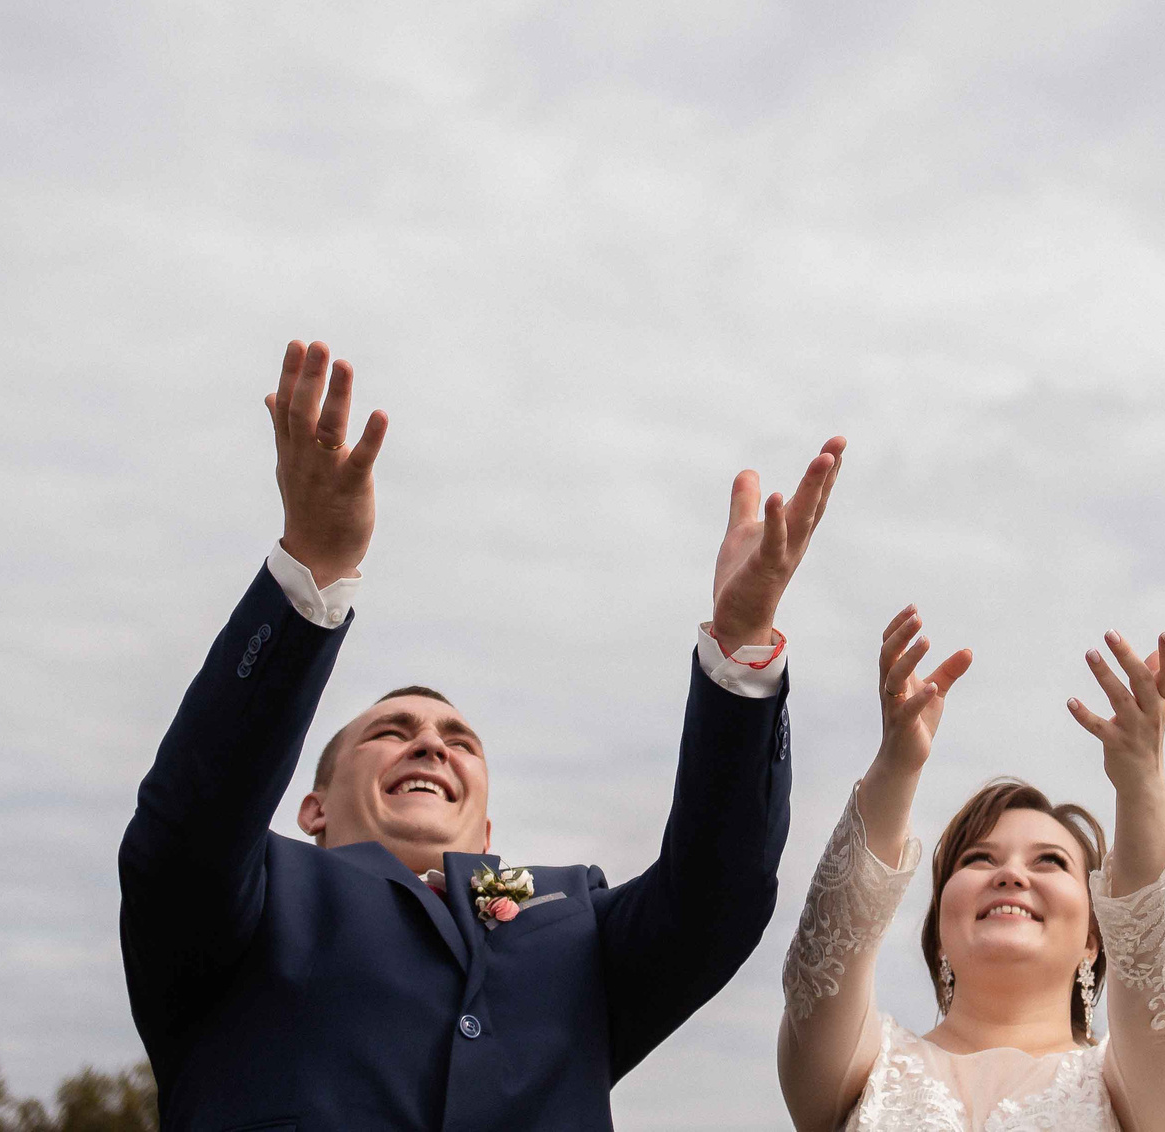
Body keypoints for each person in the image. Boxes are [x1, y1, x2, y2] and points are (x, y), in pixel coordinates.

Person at [120, 339, 840, 1132]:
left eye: (460, 742)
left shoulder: (573, 917)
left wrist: (741, 646)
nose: (431, 745)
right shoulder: (253, 896)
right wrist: (312, 569)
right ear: (313, 807)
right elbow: (190, 824)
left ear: (489, 831)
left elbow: (717, 897)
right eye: (391, 731)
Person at [776, 606, 1165, 1131]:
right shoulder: (862, 1069)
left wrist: (1142, 779)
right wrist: (897, 764)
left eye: (1050, 861)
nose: (1011, 876)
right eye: (979, 859)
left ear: (1096, 938)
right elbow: (825, 960)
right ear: (938, 930)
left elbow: (1153, 975)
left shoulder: (1136, 1090)